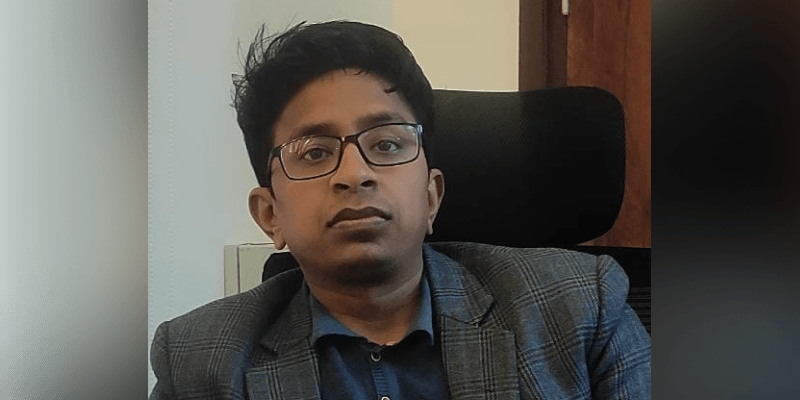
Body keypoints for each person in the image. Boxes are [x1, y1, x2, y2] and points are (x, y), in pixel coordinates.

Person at [149, 20, 651, 399]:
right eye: (315, 152)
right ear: (270, 215)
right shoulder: (199, 360)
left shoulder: (580, 309)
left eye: (387, 144)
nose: (354, 174)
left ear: (431, 196)